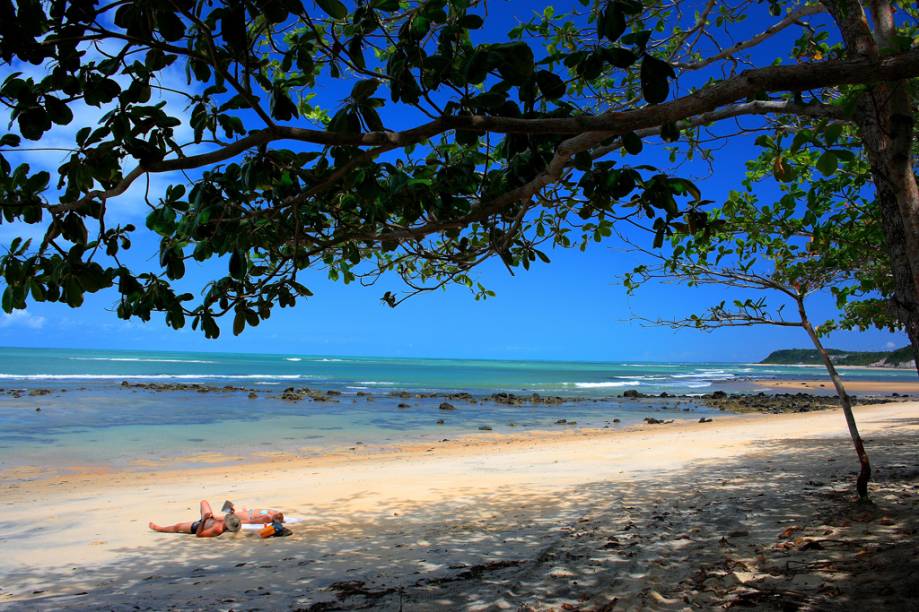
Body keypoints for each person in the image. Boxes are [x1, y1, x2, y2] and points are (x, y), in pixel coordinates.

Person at [148, 500, 242, 538]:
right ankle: (206, 517)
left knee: (177, 527)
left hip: (199, 526)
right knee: (203, 502)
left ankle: (159, 528)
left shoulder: (218, 530)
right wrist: (231, 510)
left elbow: (199, 534)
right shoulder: (232, 520)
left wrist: (204, 520)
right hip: (209, 519)